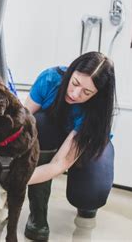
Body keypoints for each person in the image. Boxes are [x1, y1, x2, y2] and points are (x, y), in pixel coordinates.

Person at [23, 51, 116, 241]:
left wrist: (16, 181)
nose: (75, 94)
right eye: (75, 83)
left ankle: (87, 204)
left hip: (87, 142)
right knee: (37, 123)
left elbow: (60, 164)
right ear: (71, 71)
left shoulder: (96, 112)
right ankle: (37, 215)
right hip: (52, 131)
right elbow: (21, 122)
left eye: (87, 92)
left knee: (89, 194)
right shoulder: (50, 79)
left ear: (97, 95)